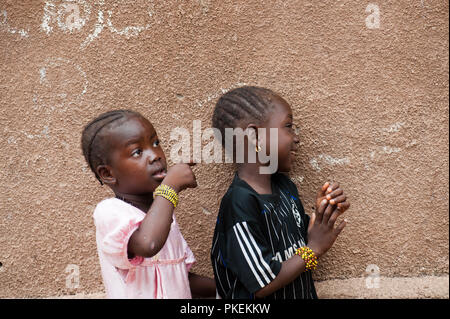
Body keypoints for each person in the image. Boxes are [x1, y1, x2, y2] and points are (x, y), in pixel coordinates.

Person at [210, 86, 350, 299]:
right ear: (254, 135)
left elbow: (295, 243)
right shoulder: (239, 203)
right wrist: (313, 250)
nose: (296, 138)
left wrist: (321, 215)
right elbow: (262, 284)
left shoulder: (285, 188)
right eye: (289, 126)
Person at [81, 109, 215, 298]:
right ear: (108, 174)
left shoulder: (165, 219)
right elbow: (147, 244)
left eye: (156, 143)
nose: (155, 156)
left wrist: (225, 290)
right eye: (137, 152)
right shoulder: (110, 212)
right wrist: (170, 187)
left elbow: (177, 277)